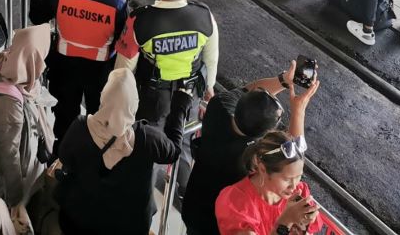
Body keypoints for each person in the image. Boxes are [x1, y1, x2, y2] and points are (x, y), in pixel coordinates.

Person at [182, 63, 319, 235]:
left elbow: (248, 90)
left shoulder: (218, 107)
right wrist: (299, 110)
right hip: (215, 227)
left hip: (194, 206)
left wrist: (283, 80)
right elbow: (290, 158)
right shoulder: (249, 164)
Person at [57, 67, 193, 235]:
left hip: (78, 220)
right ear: (134, 103)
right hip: (130, 227)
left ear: (104, 96)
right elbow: (174, 152)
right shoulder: (147, 139)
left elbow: (64, 157)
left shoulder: (81, 127)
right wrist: (180, 107)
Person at [29, 0, 129, 145]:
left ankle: (62, 154)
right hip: (99, 74)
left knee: (64, 120)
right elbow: (121, 39)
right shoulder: (117, 3)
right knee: (97, 122)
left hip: (64, 70)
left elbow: (37, 16)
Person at [115, 0, 218, 123]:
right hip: (189, 96)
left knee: (149, 135)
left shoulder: (140, 20)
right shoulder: (205, 16)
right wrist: (209, 86)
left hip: (152, 100)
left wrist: (120, 99)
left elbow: (124, 70)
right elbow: (211, 57)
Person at [0, 24, 55, 229]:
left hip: (10, 158)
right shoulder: (8, 106)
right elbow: (9, 155)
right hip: (1, 177)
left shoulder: (8, 64)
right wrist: (16, 199)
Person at [214, 131, 327, 235]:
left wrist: (307, 222)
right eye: (287, 179)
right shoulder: (236, 205)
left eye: (299, 177)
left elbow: (312, 228)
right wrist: (285, 223)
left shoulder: (299, 192)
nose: (294, 186)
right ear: (262, 169)